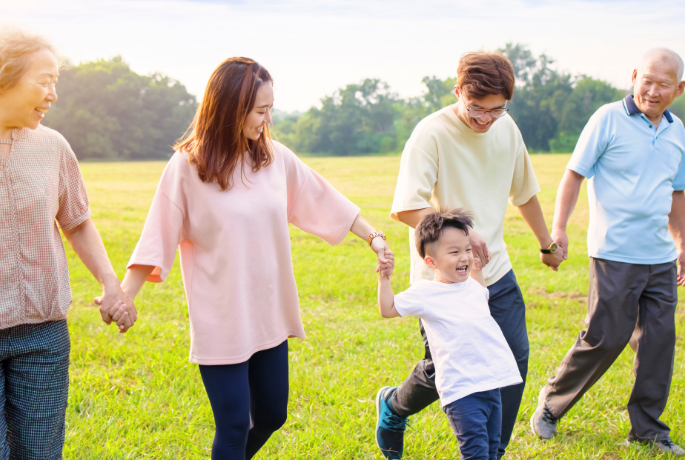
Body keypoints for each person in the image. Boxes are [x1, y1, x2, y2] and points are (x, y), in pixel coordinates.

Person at [111, 57, 394, 459]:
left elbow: (321, 197)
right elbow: (156, 235)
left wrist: (374, 237)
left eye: (270, 109)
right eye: (260, 110)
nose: (267, 119)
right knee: (231, 425)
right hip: (221, 317)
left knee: (273, 414)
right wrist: (126, 295)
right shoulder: (187, 167)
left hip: (269, 312)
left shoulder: (273, 158)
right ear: (229, 109)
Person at [375, 51, 564, 460]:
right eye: (476, 109)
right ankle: (393, 407)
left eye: (496, 110)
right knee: (446, 368)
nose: (485, 120)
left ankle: (492, 453)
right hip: (443, 281)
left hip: (494, 270)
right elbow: (407, 207)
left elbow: (524, 192)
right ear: (458, 91)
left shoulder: (506, 127)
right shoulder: (431, 133)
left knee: (511, 358)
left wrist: (546, 243)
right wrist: (462, 230)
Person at [531, 48, 685, 458]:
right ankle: (551, 403)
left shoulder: (676, 130)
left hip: (658, 257)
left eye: (663, 85)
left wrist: (683, 246)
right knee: (605, 337)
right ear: (635, 75)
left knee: (658, 343)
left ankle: (648, 431)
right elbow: (573, 175)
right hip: (614, 252)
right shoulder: (608, 118)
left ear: (679, 89)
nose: (652, 91)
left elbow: (676, 192)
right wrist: (560, 227)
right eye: (647, 80)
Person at [0, 27, 133, 458]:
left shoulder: (52, 146)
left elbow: (76, 222)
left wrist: (111, 284)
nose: (53, 94)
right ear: (5, 76)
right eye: (44, 80)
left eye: (57, 81)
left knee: (40, 453)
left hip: (44, 333)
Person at [377, 209, 523, 460]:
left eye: (467, 249)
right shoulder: (426, 292)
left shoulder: (473, 287)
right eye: (454, 252)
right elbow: (388, 309)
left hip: (491, 386)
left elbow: (481, 294)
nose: (464, 256)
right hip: (461, 391)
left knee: (490, 450)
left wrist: (477, 266)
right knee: (476, 452)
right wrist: (385, 278)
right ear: (431, 262)